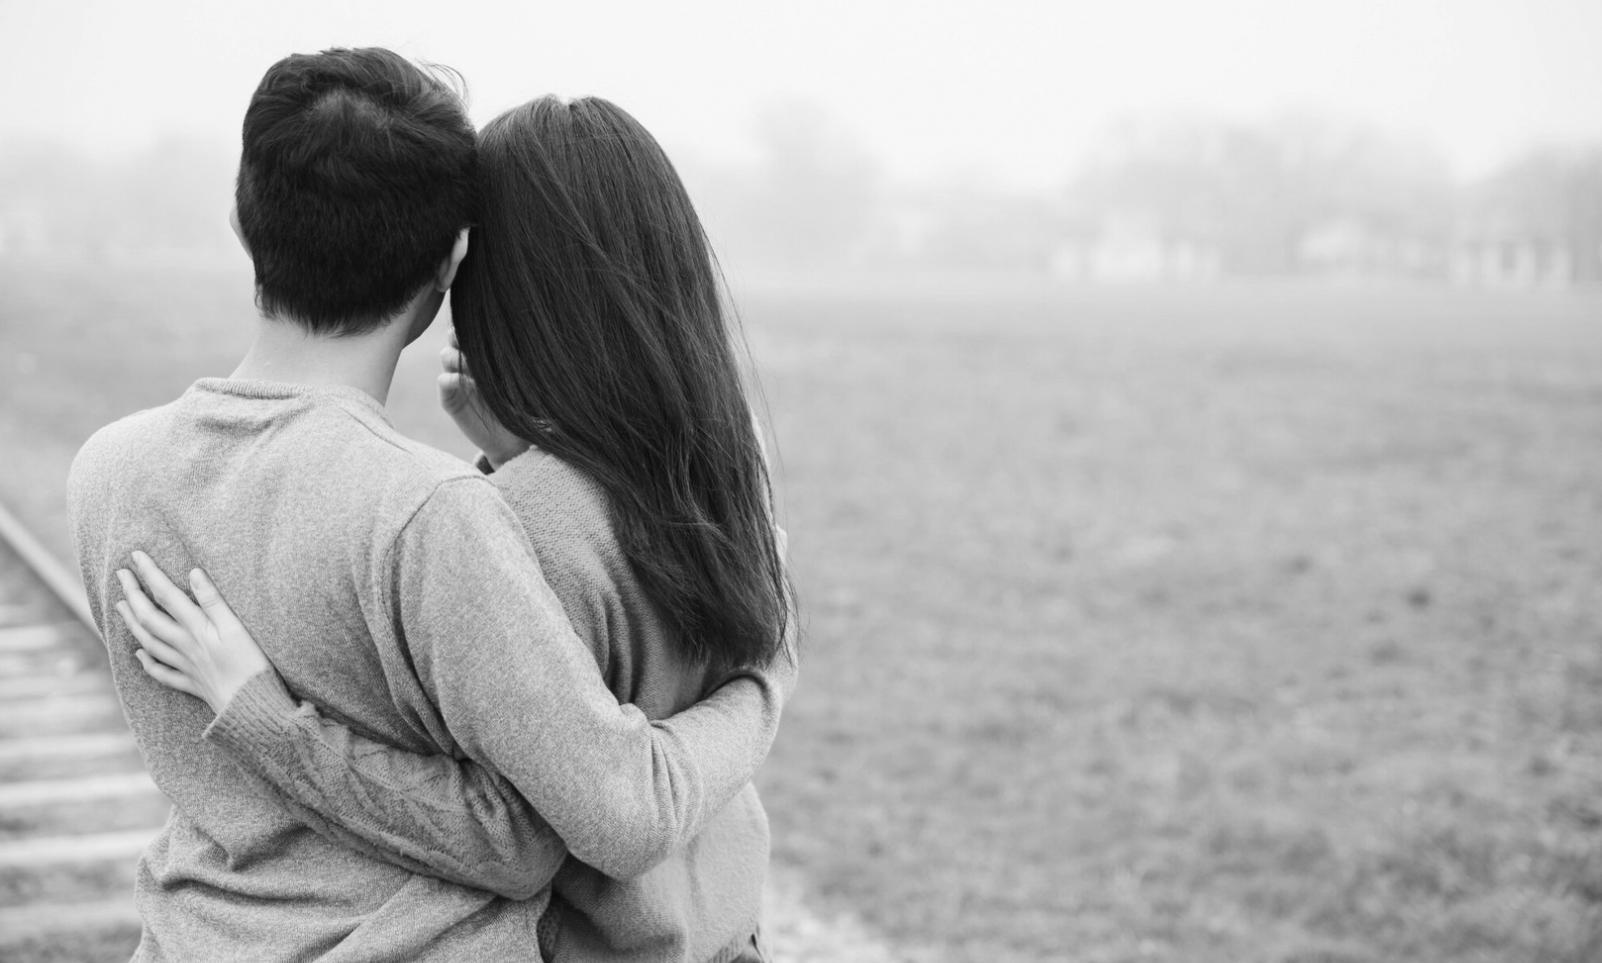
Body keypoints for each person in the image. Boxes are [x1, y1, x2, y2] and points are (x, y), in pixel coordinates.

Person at [71, 49, 791, 962]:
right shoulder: (434, 515)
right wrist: (767, 680)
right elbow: (551, 836)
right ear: (450, 262)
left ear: (241, 220)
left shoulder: (105, 470)